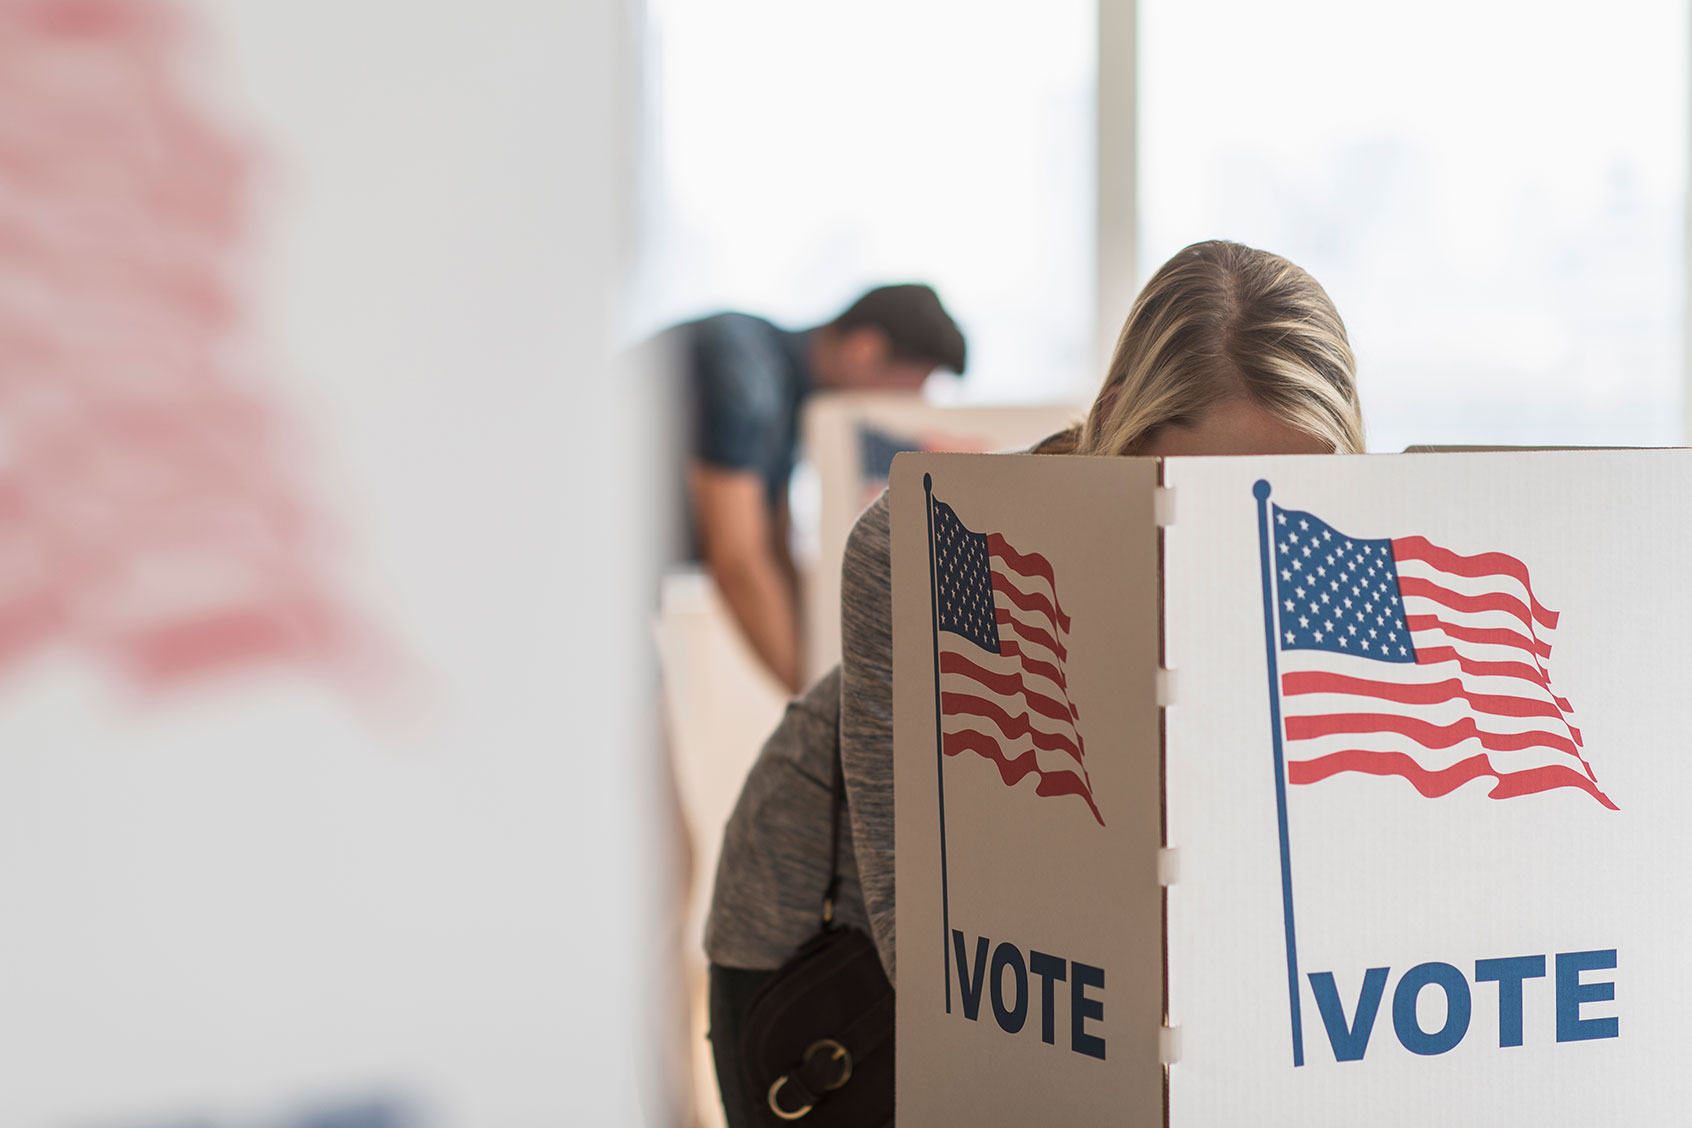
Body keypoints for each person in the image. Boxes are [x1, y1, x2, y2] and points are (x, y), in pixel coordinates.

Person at [702, 240, 1367, 1127]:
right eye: (1199, 487)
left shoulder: (1340, 563)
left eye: (1281, 496)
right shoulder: (932, 542)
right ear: (1123, 422)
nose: (1241, 529)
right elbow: (924, 934)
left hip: (1069, 985)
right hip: (832, 966)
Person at [656, 285, 968, 693]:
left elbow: (776, 546)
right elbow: (738, 561)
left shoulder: (784, 395)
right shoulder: (743, 375)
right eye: (909, 388)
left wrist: (835, 670)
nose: (902, 409)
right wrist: (824, 709)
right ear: (864, 350)